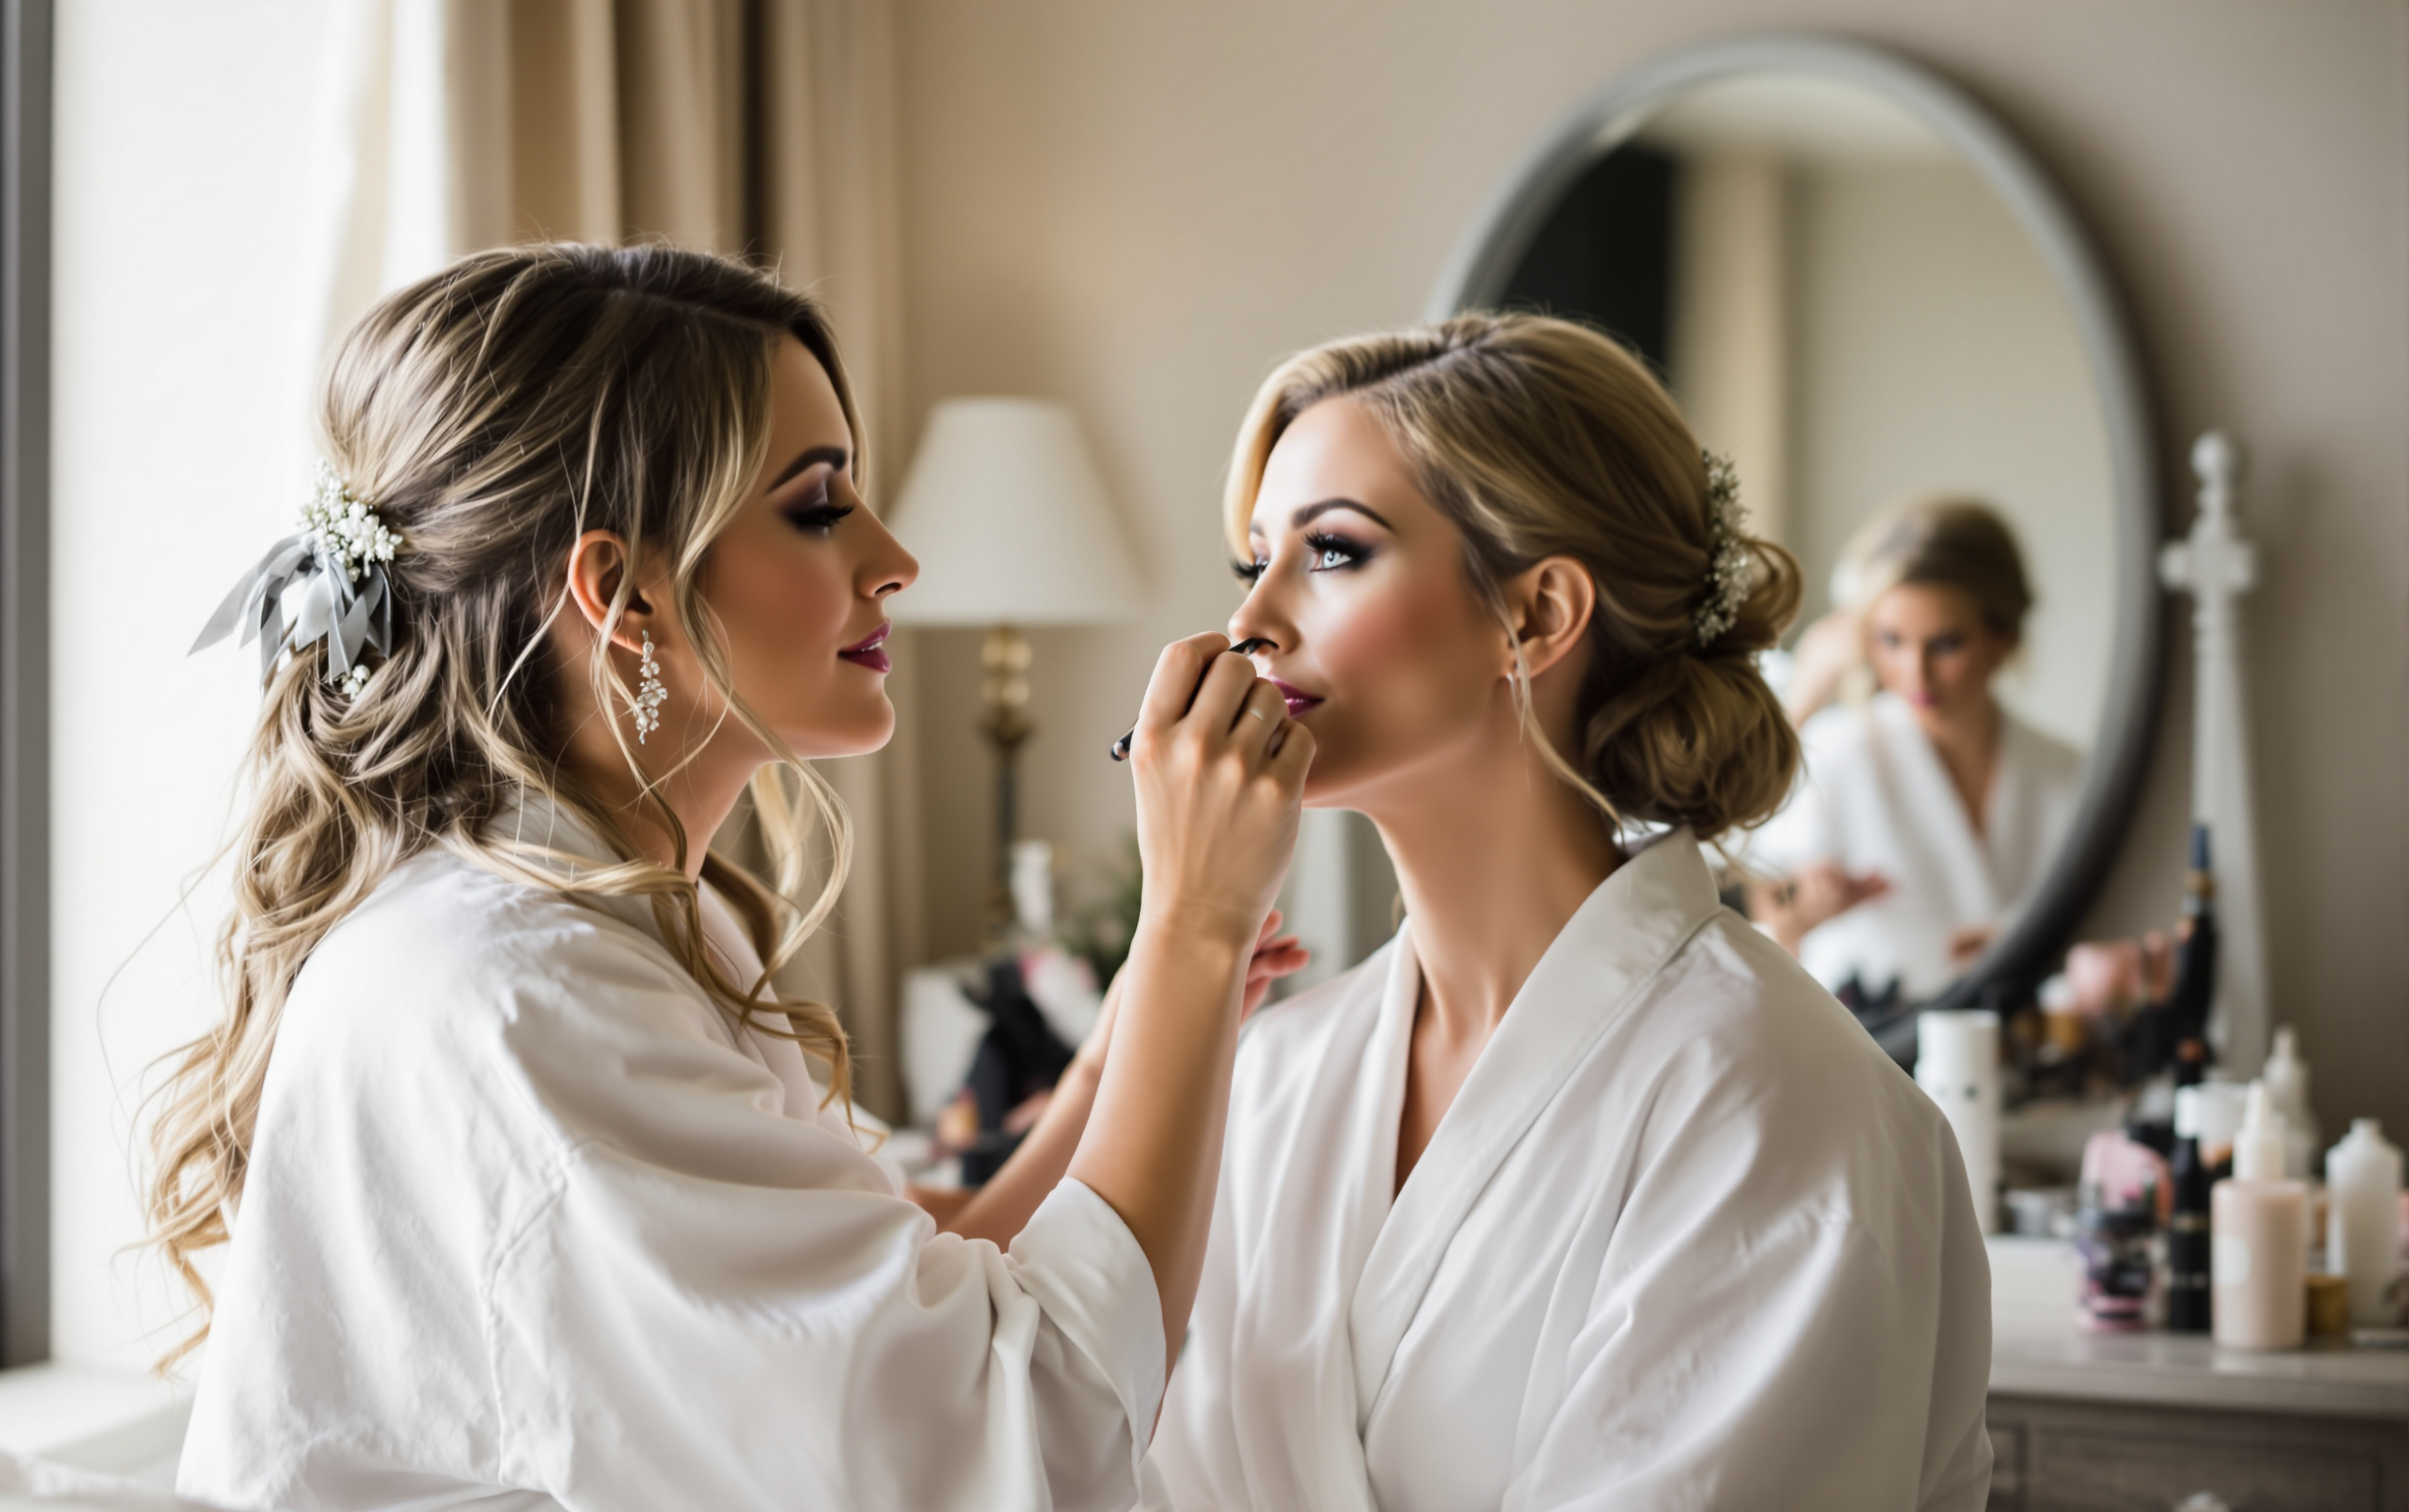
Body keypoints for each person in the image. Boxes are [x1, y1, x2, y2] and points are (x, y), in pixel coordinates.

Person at [150, 244, 1313, 1512]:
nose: (894, 560)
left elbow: (895, 1317)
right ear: (623, 594)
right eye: (819, 507)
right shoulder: (530, 995)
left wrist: (1137, 1017)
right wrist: (1195, 927)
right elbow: (1011, 1442)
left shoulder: (620, 918)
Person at [1121, 315, 1992, 1509]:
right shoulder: (1272, 1075)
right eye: (1252, 562)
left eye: (1329, 553)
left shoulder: (1772, 1096)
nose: (1249, 625)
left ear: (1532, 618)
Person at [1745, 497, 2085, 1002]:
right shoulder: (1837, 750)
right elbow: (1771, 909)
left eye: (1946, 644)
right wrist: (1811, 904)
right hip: (1867, 1047)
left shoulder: (2067, 773)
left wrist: (2022, 941)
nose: (1915, 673)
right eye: (1891, 640)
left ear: (2003, 636)